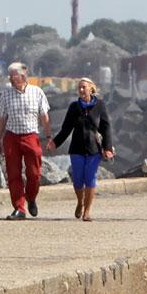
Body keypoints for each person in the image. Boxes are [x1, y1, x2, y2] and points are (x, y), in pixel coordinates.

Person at [0, 62, 51, 220]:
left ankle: (31, 197)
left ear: (23, 76)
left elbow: (44, 117)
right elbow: (1, 119)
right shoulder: (6, 94)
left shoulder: (37, 92)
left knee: (34, 174)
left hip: (31, 136)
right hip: (11, 136)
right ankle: (19, 208)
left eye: (13, 75)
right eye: (10, 75)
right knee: (13, 174)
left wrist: (49, 137)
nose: (11, 78)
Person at [50, 78, 112, 222]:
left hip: (94, 149)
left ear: (91, 88)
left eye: (84, 87)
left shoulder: (100, 105)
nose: (81, 90)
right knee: (78, 180)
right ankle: (80, 202)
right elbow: (66, 129)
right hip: (76, 149)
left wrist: (107, 148)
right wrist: (55, 143)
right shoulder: (74, 107)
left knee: (90, 179)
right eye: (79, 88)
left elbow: (106, 127)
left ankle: (87, 211)